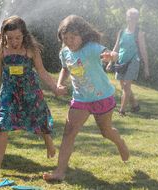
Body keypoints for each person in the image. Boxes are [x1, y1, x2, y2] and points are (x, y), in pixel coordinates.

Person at [43, 15, 130, 181]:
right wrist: (59, 84)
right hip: (80, 99)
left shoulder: (91, 47)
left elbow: (105, 52)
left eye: (73, 37)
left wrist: (111, 55)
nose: (69, 41)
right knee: (69, 132)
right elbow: (65, 69)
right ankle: (60, 172)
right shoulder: (65, 53)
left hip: (102, 96)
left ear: (82, 35)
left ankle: (120, 143)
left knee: (105, 131)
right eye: (65, 38)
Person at [0, 15, 67, 178]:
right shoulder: (0, 49)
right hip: (8, 93)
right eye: (10, 38)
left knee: (38, 116)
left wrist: (55, 87)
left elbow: (42, 71)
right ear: (4, 36)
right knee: (1, 125)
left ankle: (48, 140)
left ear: (24, 35)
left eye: (18, 37)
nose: (14, 41)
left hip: (29, 91)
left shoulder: (31, 50)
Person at [107, 8, 149, 116]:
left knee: (126, 86)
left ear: (137, 19)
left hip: (133, 61)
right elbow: (116, 47)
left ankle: (122, 111)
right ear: (127, 18)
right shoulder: (121, 32)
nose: (132, 19)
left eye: (134, 17)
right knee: (123, 86)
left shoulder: (139, 33)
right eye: (130, 17)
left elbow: (143, 50)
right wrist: (110, 62)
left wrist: (146, 67)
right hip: (121, 61)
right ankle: (135, 105)